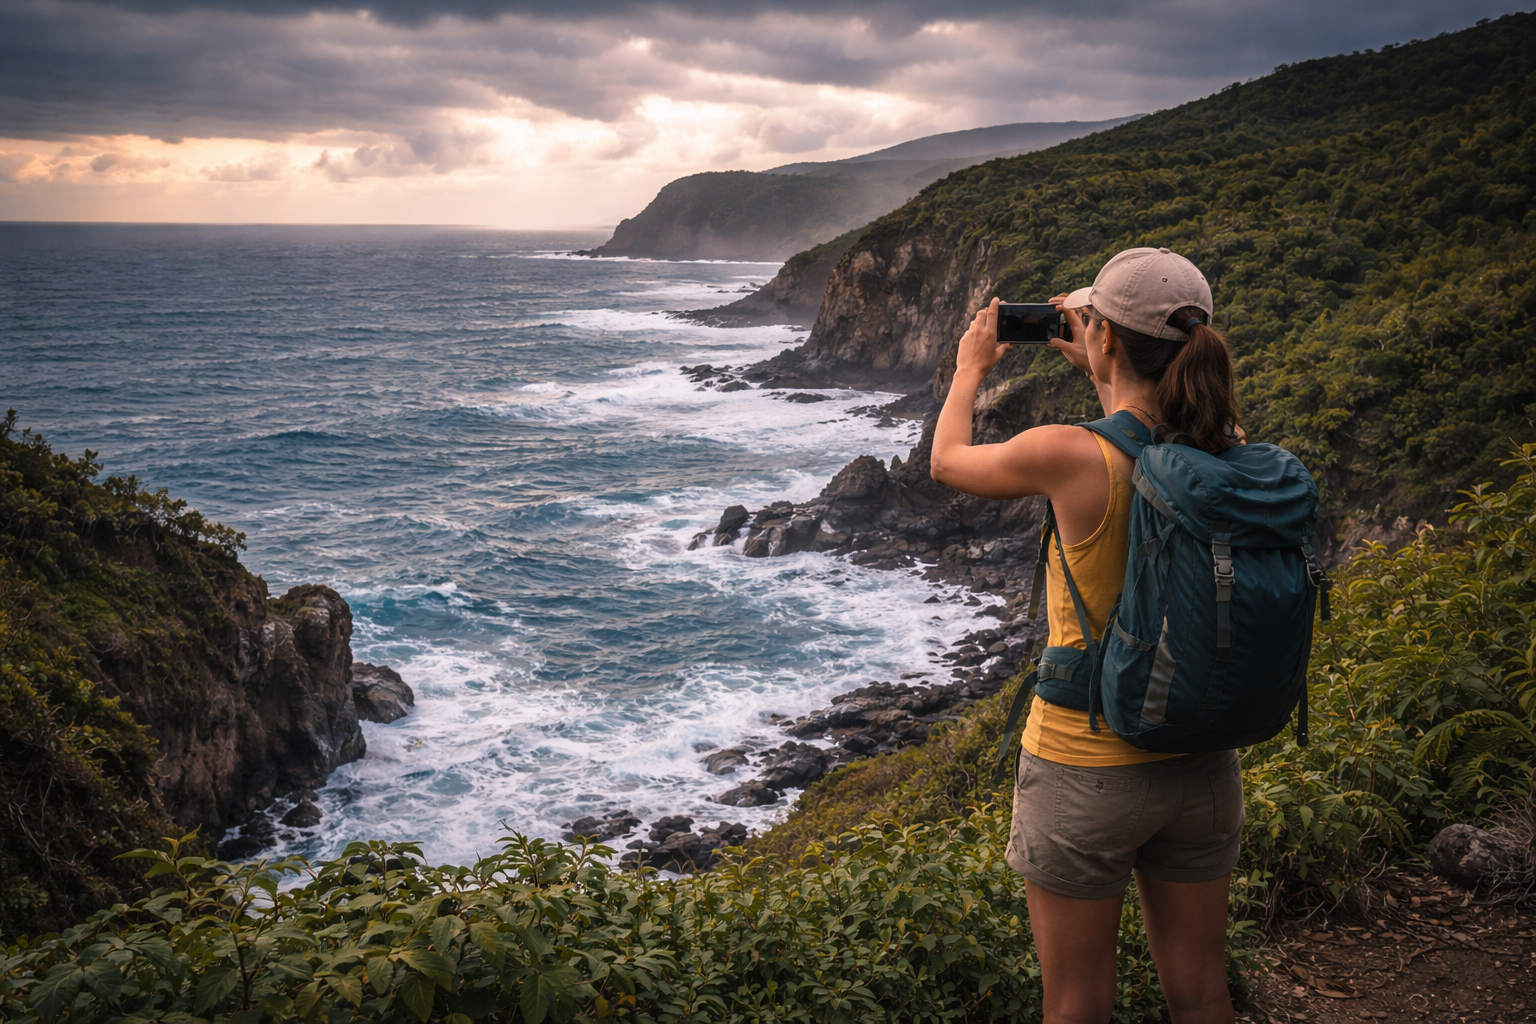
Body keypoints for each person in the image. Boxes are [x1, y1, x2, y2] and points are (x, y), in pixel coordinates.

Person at [930, 247, 1242, 1024]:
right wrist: (1102, 362)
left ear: (1103, 338)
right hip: (1202, 760)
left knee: (1076, 1004)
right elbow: (1145, 430)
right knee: (1203, 995)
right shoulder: (1227, 447)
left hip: (1085, 765)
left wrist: (971, 367)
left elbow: (947, 461)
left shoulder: (1070, 455)